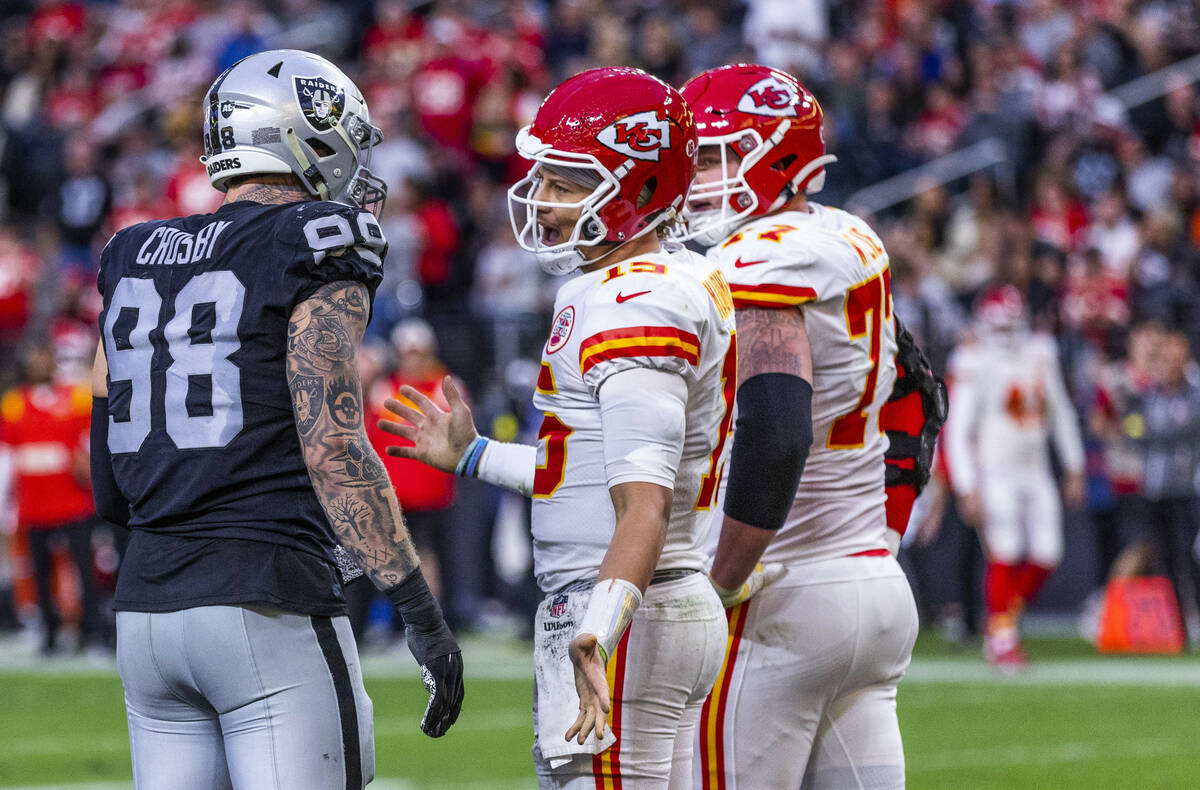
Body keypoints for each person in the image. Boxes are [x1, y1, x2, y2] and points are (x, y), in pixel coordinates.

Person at [89, 50, 463, 790]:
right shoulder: (320, 236)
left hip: (147, 614)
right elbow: (333, 443)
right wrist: (421, 614)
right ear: (305, 137)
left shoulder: (129, 252)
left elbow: (107, 482)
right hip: (266, 604)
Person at [380, 66, 734, 788]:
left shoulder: (632, 300)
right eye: (544, 178)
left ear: (636, 190)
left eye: (568, 182)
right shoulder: (641, 283)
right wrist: (475, 455)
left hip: (625, 606)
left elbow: (646, 501)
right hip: (643, 598)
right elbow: (584, 470)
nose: (541, 201)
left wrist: (597, 634)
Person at [677, 64, 931, 790]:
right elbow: (918, 395)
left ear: (777, 157)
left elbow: (778, 428)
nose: (695, 179)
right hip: (872, 582)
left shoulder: (760, 259)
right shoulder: (851, 238)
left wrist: (719, 580)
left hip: (781, 589)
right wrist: (886, 531)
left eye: (714, 157)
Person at [943, 284, 1086, 669]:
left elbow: (1060, 411)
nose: (1006, 335)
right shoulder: (973, 360)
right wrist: (967, 485)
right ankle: (1003, 639)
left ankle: (1000, 621)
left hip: (1035, 468)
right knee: (1004, 552)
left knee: (1047, 554)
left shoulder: (1040, 353)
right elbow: (957, 429)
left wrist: (1074, 464)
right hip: (996, 471)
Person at [0, 344, 102, 654]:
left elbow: (91, 440)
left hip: (73, 502)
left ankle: (92, 631)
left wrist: (89, 466)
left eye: (46, 357)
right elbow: (6, 455)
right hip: (34, 506)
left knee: (85, 569)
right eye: (36, 358)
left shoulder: (76, 398)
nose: (41, 364)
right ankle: (49, 632)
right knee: (40, 573)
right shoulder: (14, 404)